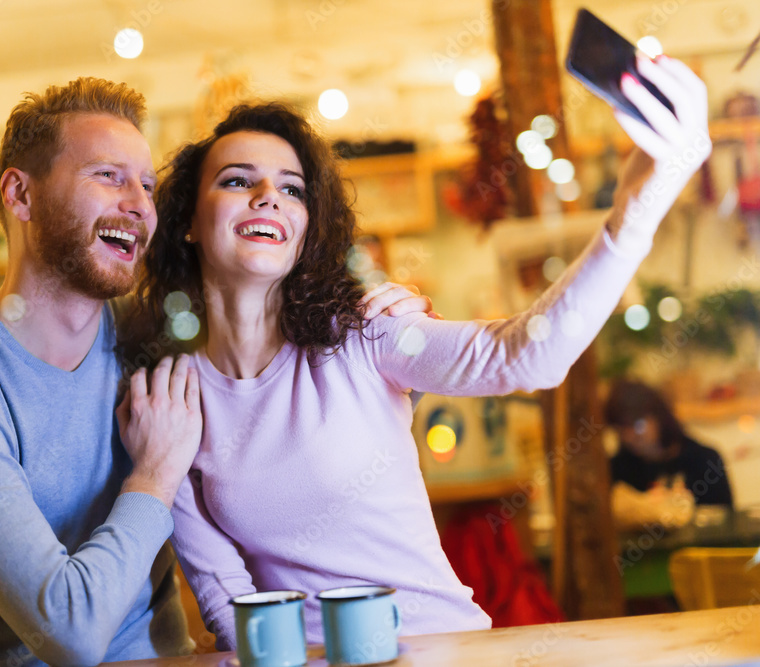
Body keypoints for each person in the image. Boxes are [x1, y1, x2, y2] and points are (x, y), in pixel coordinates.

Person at [119, 54, 712, 648]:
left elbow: (526, 355)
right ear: (190, 221)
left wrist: (639, 203)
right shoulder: (172, 397)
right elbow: (226, 602)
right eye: (237, 180)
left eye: (292, 188)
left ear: (306, 228)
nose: (269, 195)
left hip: (440, 648)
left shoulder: (363, 334)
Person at [0, 76, 429, 665]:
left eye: (147, 185)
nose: (140, 205)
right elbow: (68, 631)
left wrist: (394, 328)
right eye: (108, 176)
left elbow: (295, 383)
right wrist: (154, 476)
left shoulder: (148, 338)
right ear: (20, 195)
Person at [605, 379, 733, 509]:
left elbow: (725, 521)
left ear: (659, 417)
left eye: (637, 425)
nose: (629, 436)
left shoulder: (705, 460)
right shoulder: (618, 470)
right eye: (621, 429)